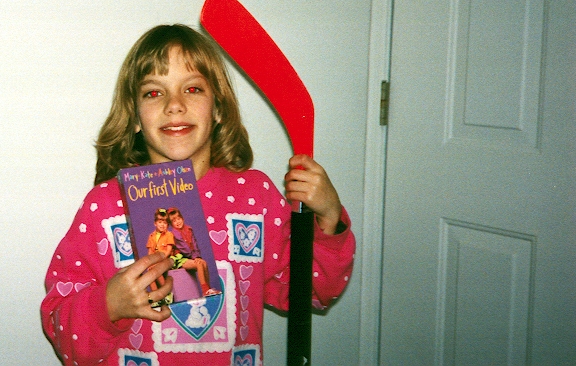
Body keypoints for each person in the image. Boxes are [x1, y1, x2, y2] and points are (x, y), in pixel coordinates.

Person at [41, 24, 355, 366]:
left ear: (218, 108)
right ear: (134, 117)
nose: (175, 105)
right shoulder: (104, 208)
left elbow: (312, 292)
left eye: (192, 89)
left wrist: (328, 219)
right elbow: (61, 326)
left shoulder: (256, 197)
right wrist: (109, 306)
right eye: (154, 92)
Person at [167, 207, 219, 297]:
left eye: (178, 219)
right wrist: (194, 258)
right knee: (199, 264)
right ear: (171, 224)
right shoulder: (174, 234)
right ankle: (205, 290)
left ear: (182, 218)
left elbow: (195, 244)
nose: (178, 222)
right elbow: (184, 249)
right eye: (174, 221)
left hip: (191, 257)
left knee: (204, 263)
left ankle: (208, 288)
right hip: (181, 259)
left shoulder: (189, 229)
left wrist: (197, 256)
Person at [145, 209, 175, 302]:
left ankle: (167, 294)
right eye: (160, 222)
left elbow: (168, 251)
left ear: (168, 225)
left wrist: (159, 261)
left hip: (167, 260)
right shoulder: (151, 236)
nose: (162, 225)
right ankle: (157, 297)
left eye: (165, 223)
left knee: (156, 269)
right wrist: (149, 264)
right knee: (149, 273)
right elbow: (150, 252)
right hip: (156, 262)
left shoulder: (169, 235)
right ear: (155, 223)